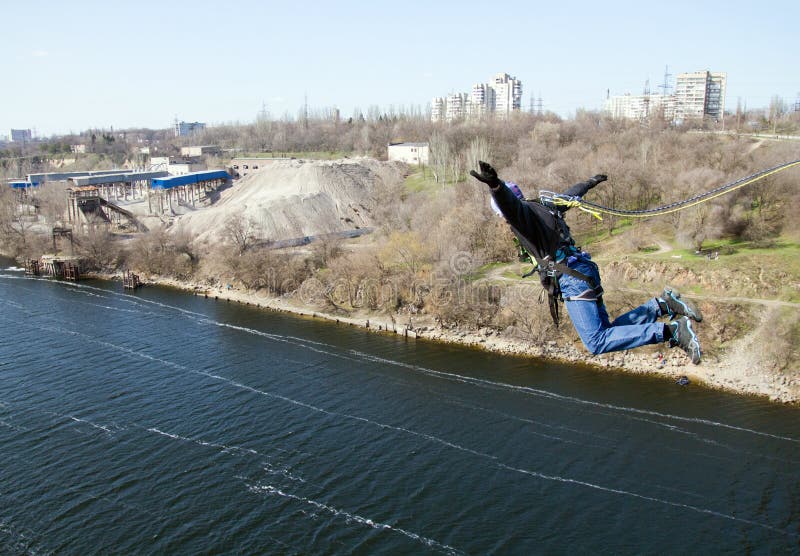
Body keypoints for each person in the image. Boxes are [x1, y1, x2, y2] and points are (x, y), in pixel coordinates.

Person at [470, 161, 703, 364]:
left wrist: (496, 187)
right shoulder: (544, 205)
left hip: (573, 278)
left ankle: (672, 331)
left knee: (595, 341)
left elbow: (510, 207)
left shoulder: (522, 218)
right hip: (582, 270)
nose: (503, 218)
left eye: (501, 214)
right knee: (608, 331)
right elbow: (571, 195)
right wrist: (589, 183)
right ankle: (661, 305)